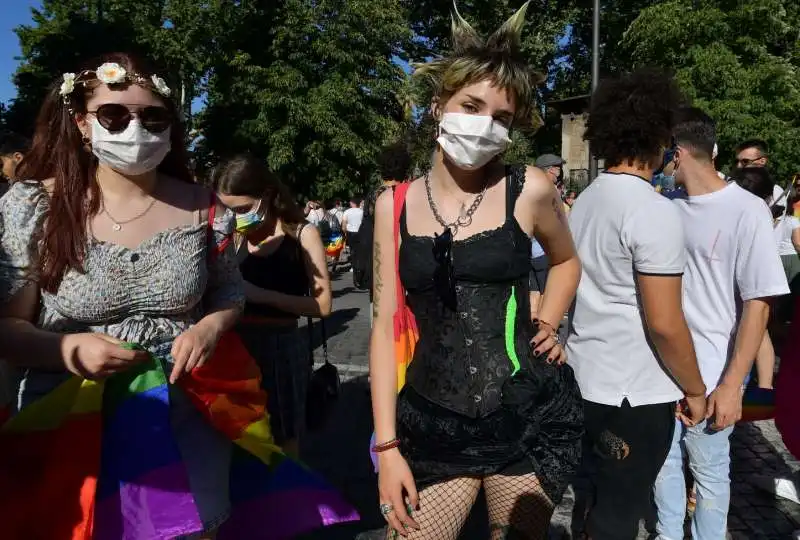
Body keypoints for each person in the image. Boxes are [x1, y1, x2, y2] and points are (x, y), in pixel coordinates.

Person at [0, 52, 244, 539]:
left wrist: (211, 325)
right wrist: (67, 348)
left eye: (153, 116)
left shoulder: (205, 208)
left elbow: (230, 291)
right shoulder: (32, 206)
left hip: (184, 416)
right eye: (115, 114)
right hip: (68, 420)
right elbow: (7, 329)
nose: (136, 128)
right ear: (82, 123)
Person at [370, 3, 583, 538]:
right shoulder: (391, 205)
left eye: (502, 118)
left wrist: (549, 322)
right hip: (432, 420)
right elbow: (382, 324)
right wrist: (387, 447)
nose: (484, 125)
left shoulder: (529, 188)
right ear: (439, 103)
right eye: (471, 105)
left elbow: (566, 261)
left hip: (523, 415)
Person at [567, 69, 708, 540]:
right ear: (660, 135)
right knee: (620, 510)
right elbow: (665, 323)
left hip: (585, 378)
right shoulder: (653, 211)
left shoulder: (584, 201)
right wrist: (695, 388)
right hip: (634, 391)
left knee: (593, 499)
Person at [654, 113, 789, 539]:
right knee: (664, 471)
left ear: (676, 152)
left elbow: (759, 303)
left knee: (710, 478)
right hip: (659, 371)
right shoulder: (665, 205)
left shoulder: (745, 210)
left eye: (662, 152)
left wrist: (732, 384)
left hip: (714, 374)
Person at [213, 154, 332, 458]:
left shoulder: (302, 233)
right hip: (236, 348)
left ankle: (287, 501)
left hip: (281, 349)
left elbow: (323, 305)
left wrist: (259, 294)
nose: (235, 217)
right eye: (228, 210)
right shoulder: (235, 236)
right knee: (238, 437)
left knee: (282, 439)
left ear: (266, 196)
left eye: (241, 209)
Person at [342, 196, 364, 282]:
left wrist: (345, 232)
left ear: (352, 203)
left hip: (350, 233)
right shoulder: (362, 212)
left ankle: (353, 266)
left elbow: (343, 225)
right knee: (360, 250)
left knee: (352, 250)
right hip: (360, 233)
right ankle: (360, 266)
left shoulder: (347, 212)